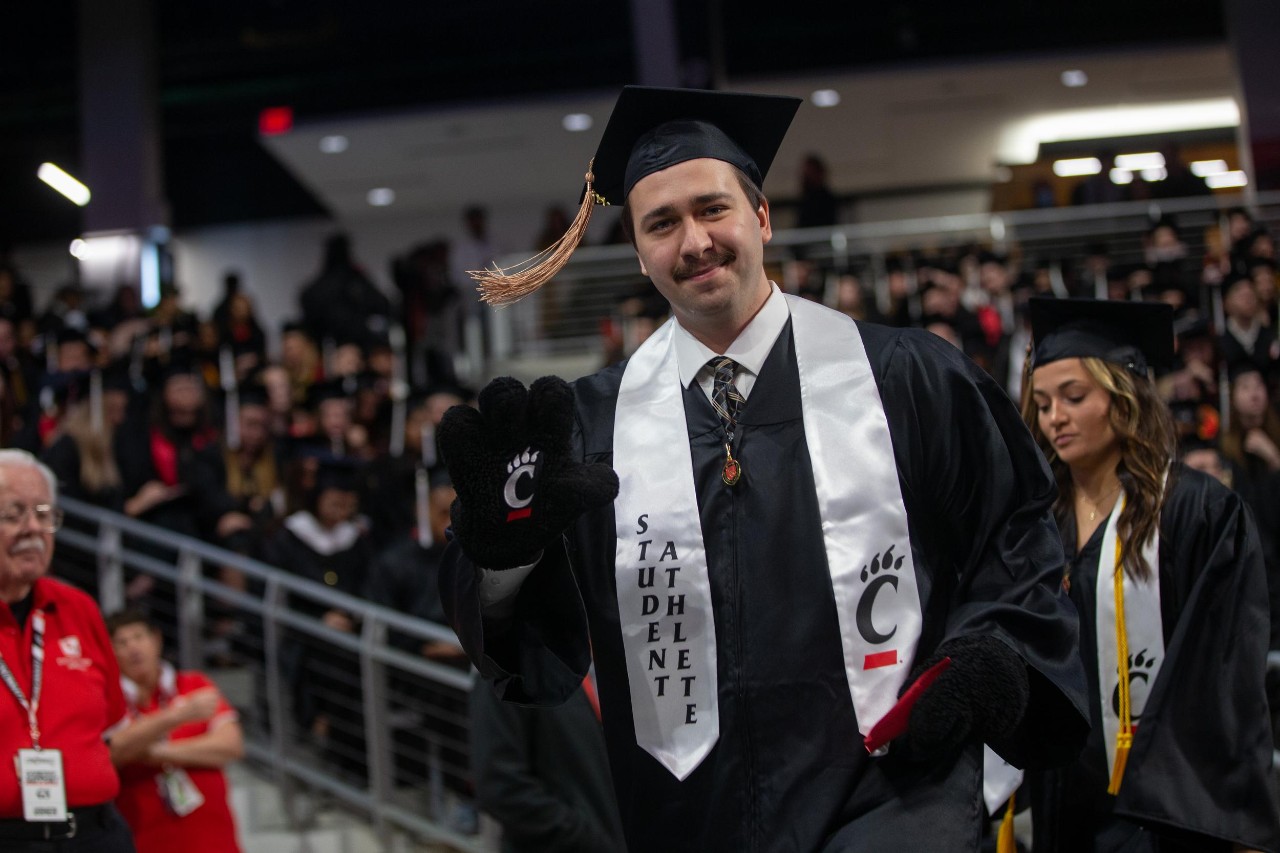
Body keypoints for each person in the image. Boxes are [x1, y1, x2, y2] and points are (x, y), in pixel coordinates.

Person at [440, 86, 1088, 852]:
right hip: (693, 817)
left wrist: (992, 656)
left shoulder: (905, 378)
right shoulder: (588, 428)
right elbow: (527, 650)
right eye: (661, 223)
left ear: (762, 217)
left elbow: (1017, 543)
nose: (694, 241)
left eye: (713, 209)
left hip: (896, 803)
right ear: (642, 255)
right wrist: (501, 563)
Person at [1021, 297, 1278, 852]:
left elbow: (1226, 674)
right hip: (1066, 808)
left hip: (1170, 810)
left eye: (1073, 397)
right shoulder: (1040, 525)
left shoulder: (1196, 512)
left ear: (1124, 394)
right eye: (1042, 404)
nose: (1054, 418)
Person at [0, 449, 136, 850]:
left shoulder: (77, 608)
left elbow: (111, 725)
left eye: (45, 515)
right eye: (13, 514)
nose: (34, 529)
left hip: (93, 835)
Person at [106, 610, 243, 853]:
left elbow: (230, 746)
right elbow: (113, 752)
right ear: (110, 651)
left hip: (214, 840)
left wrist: (152, 753)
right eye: (122, 642)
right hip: (145, 840)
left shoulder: (194, 684)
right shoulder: (109, 702)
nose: (133, 648)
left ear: (156, 640)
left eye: (139, 637)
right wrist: (178, 715)